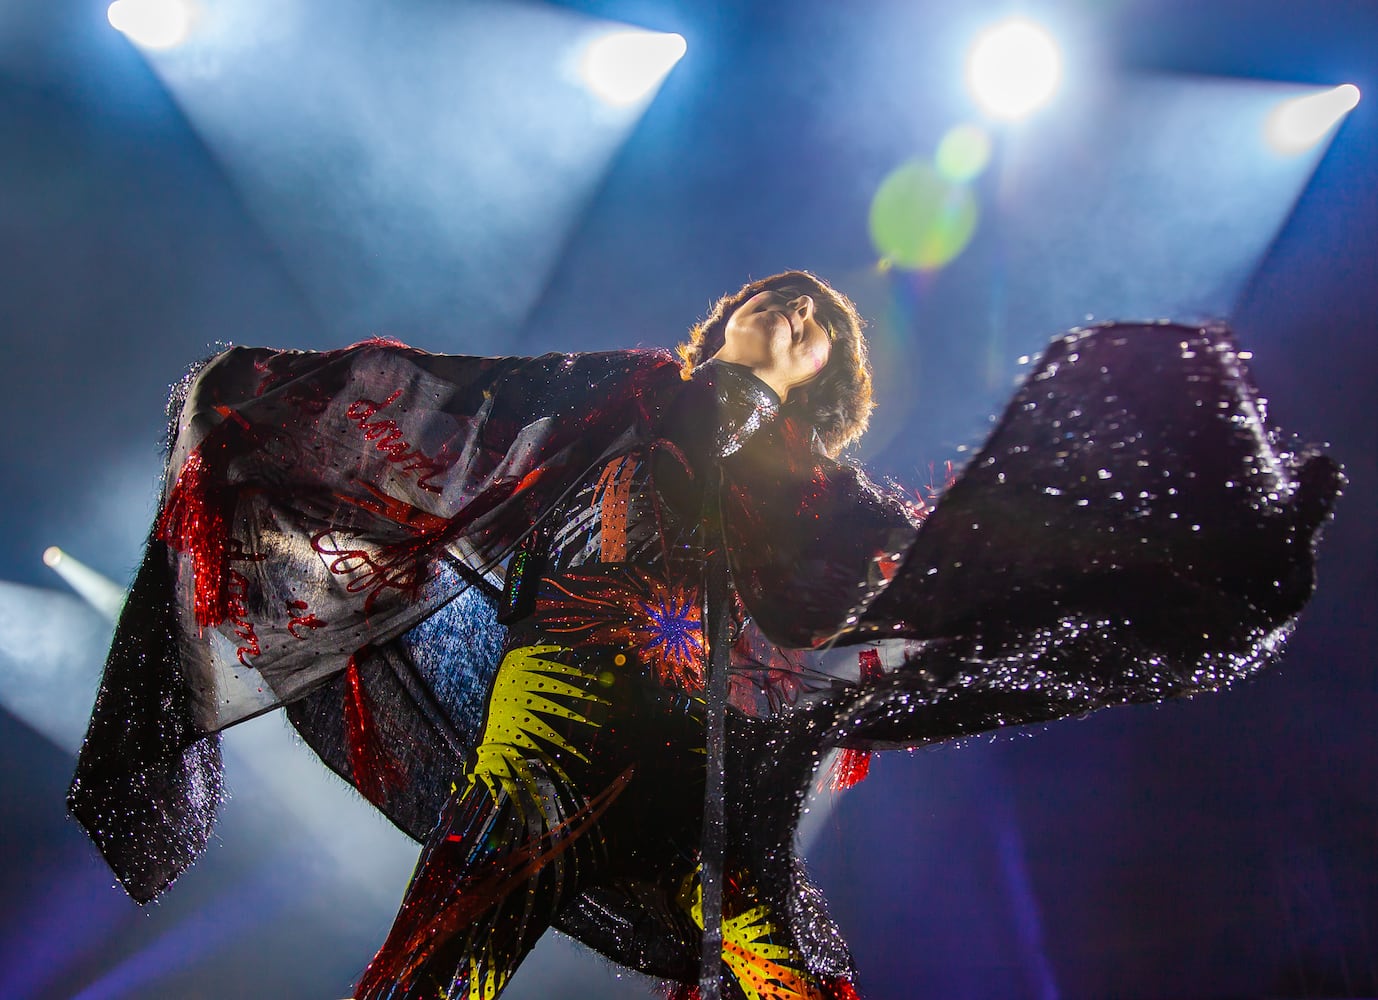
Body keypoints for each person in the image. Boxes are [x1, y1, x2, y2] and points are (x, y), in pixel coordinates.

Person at [69, 271, 1340, 1000]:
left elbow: (913, 607)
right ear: (723, 319)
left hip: (736, 739)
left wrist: (1186, 566)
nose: (795, 313)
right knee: (478, 889)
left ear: (833, 369)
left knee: (768, 949)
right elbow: (447, 408)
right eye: (774, 300)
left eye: (819, 319)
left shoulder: (842, 501)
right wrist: (263, 394)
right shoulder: (625, 388)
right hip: (574, 669)